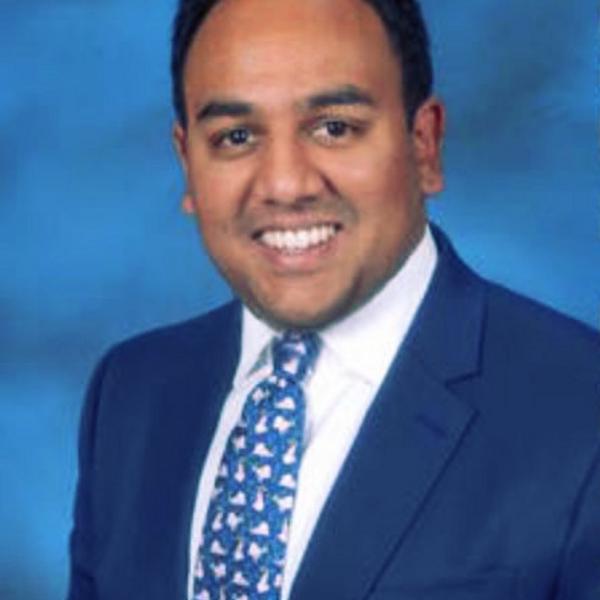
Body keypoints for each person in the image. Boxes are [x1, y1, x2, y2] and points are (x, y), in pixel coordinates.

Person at [67, 0, 600, 598]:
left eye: (334, 128)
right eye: (236, 137)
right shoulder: (132, 394)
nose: (285, 184)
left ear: (424, 145)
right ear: (188, 163)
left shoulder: (581, 409)